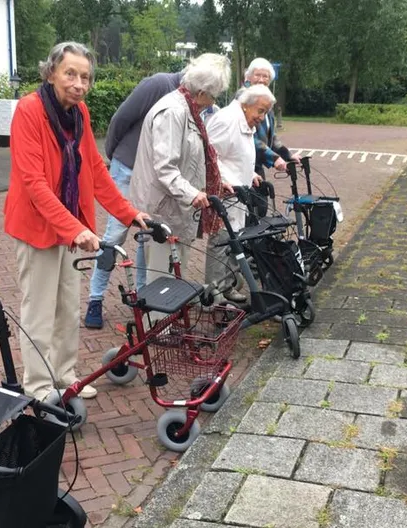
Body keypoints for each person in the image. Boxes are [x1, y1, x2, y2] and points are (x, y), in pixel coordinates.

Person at [4, 42, 148, 403]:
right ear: (51, 72)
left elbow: (96, 171)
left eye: (85, 77)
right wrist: (75, 228)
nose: (79, 83)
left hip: (70, 229)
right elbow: (33, 182)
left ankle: (65, 377)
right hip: (38, 228)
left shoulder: (79, 113)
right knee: (39, 311)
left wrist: (129, 213)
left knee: (67, 308)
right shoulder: (29, 110)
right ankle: (38, 387)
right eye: (70, 73)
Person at [84, 68, 184, 330]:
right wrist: (115, 154)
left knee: (146, 235)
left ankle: (143, 296)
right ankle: (95, 299)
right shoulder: (159, 83)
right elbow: (120, 119)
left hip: (153, 177)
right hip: (128, 167)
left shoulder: (188, 102)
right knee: (115, 235)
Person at [128, 53, 232, 293]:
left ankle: (170, 324)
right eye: (213, 95)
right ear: (202, 91)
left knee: (175, 278)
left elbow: (195, 159)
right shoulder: (173, 112)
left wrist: (216, 184)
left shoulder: (189, 110)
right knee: (162, 282)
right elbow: (165, 167)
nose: (213, 101)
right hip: (164, 210)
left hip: (178, 209)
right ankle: (158, 328)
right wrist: (193, 194)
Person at [204, 85, 276, 302]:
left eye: (265, 112)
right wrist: (225, 181)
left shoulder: (244, 120)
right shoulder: (227, 121)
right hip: (224, 194)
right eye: (260, 111)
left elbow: (235, 154)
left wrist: (250, 172)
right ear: (246, 105)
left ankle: (226, 286)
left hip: (239, 194)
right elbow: (210, 157)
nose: (262, 118)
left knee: (234, 239)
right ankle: (213, 292)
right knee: (221, 242)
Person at [243, 57, 301, 177]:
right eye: (257, 75)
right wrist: (274, 158)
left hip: (256, 164)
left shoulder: (265, 100)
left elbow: (271, 136)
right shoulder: (244, 100)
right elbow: (247, 137)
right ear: (249, 77)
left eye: (265, 76)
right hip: (243, 165)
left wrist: (287, 155)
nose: (261, 80)